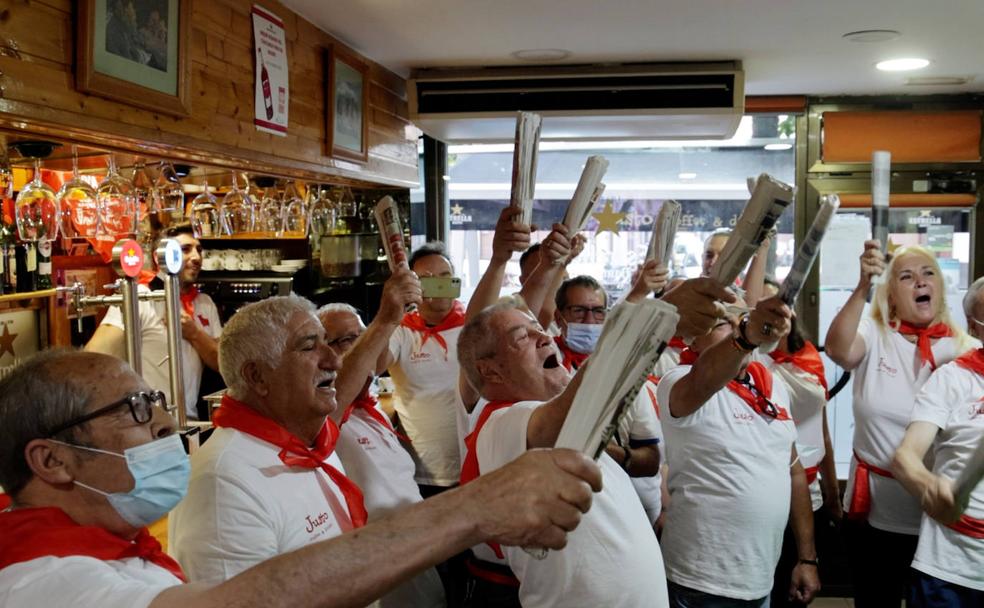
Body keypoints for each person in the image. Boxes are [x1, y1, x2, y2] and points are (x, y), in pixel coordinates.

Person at [0, 349, 603, 608]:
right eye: (134, 410)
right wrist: (474, 508)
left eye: (155, 400)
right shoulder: (42, 582)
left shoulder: (121, 550)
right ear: (50, 461)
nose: (163, 423)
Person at [457, 297, 670, 608]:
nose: (545, 337)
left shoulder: (573, 428)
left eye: (538, 329)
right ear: (491, 372)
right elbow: (571, 409)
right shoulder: (499, 422)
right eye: (522, 337)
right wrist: (651, 322)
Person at [825, 241, 973, 606]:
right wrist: (863, 284)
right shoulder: (876, 333)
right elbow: (839, 350)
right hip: (875, 509)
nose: (920, 282)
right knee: (875, 598)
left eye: (928, 274)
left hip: (937, 513)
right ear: (890, 296)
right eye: (906, 276)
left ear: (940, 288)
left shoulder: (964, 349)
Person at [656, 295, 820, 606]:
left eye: (741, 321)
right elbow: (705, 380)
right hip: (700, 582)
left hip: (760, 579)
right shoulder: (678, 382)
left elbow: (795, 472)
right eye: (724, 324)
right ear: (694, 337)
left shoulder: (772, 386)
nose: (736, 328)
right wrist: (745, 336)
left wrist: (807, 559)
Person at [317, 291, 446, 607]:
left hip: (414, 554)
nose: (366, 348)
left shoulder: (373, 408)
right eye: (349, 340)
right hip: (376, 565)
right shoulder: (325, 418)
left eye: (365, 337)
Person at [893, 277, 984, 606]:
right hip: (950, 567)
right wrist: (929, 487)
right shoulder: (952, 379)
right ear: (975, 327)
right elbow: (905, 457)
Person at [86, 224, 221, 421]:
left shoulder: (204, 303)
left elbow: (221, 362)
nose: (196, 257)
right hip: (147, 420)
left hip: (189, 420)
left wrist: (194, 333)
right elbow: (96, 357)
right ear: (160, 257)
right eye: (185, 249)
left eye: (199, 249)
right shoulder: (140, 297)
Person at [377, 241, 466, 495]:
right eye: (426, 278)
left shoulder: (473, 325)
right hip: (419, 470)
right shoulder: (401, 329)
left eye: (444, 276)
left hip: (472, 461)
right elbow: (373, 366)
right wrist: (390, 312)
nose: (437, 283)